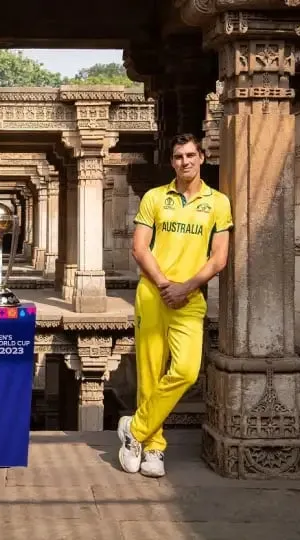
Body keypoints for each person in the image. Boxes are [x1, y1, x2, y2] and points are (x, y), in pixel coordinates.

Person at [117, 133, 232, 478]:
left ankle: (134, 429)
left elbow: (219, 258)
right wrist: (166, 285)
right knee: (150, 372)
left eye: (191, 155)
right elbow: (140, 248)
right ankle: (153, 448)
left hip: (191, 297)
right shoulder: (155, 198)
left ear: (202, 157)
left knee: (185, 370)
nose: (185, 162)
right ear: (172, 162)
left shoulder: (218, 203)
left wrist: (187, 286)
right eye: (179, 156)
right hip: (154, 294)